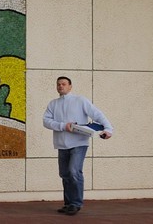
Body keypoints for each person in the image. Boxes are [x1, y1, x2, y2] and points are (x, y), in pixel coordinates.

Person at [42, 76, 113, 216]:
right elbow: (46, 121)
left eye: (63, 84)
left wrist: (109, 129)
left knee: (74, 171)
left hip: (79, 143)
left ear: (70, 86)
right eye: (58, 84)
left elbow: (97, 114)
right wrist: (63, 126)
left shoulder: (80, 101)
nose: (60, 86)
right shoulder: (53, 104)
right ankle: (68, 204)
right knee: (65, 174)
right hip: (61, 144)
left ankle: (76, 203)